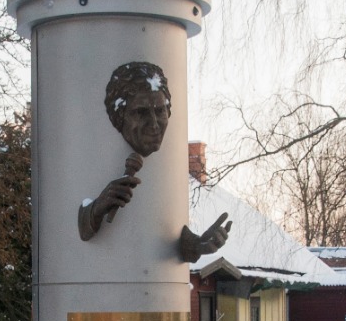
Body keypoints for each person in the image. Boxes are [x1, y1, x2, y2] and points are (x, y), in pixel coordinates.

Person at [78, 61, 231, 260]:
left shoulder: (172, 177)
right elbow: (73, 233)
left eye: (159, 111)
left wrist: (196, 246)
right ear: (119, 116)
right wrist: (96, 209)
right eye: (141, 112)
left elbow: (167, 237)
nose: (154, 124)